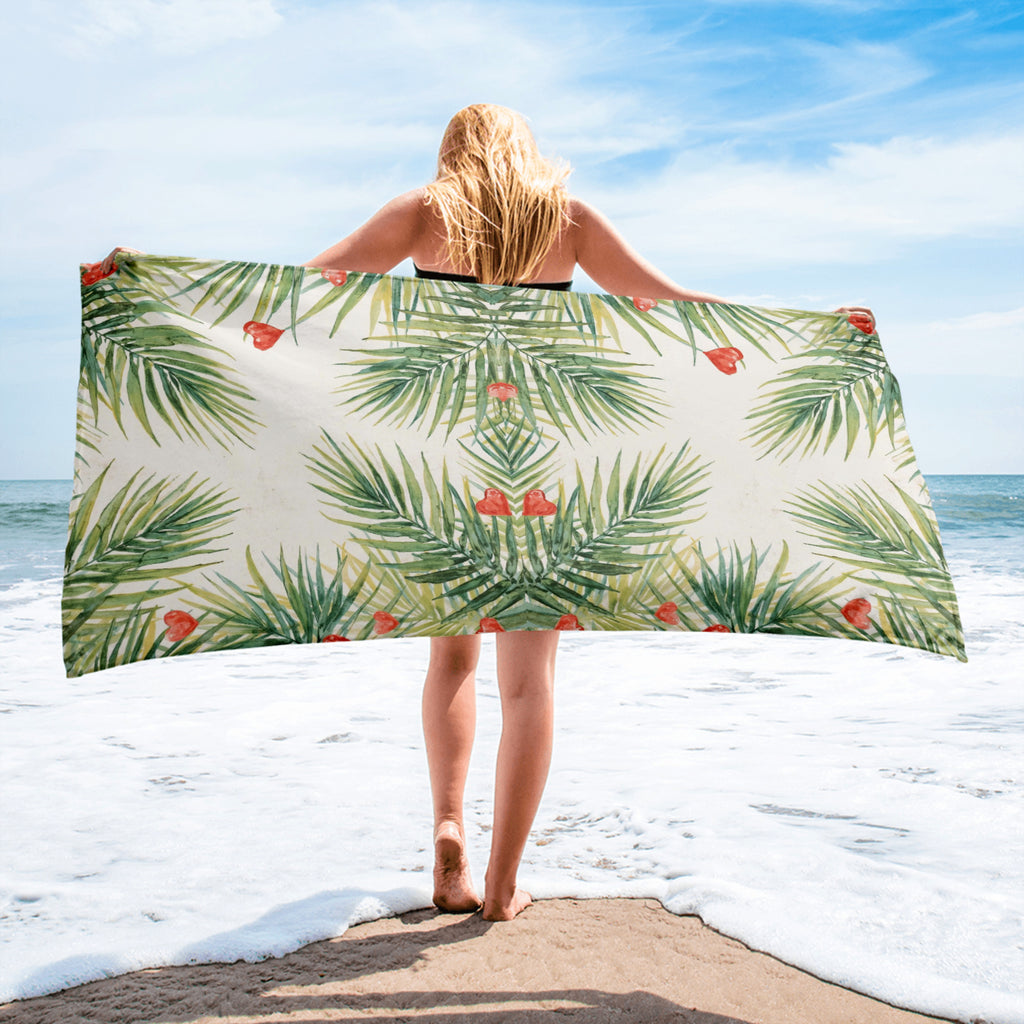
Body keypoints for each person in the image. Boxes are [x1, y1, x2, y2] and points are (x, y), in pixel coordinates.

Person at [97, 102, 873, 923]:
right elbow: (678, 305)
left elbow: (291, 295)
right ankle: (502, 887)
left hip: (441, 462)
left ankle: (446, 829)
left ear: (452, 152)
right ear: (525, 150)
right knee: (531, 686)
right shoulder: (568, 219)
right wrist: (818, 331)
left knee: (452, 665)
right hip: (542, 466)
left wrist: (150, 285)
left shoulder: (423, 213)